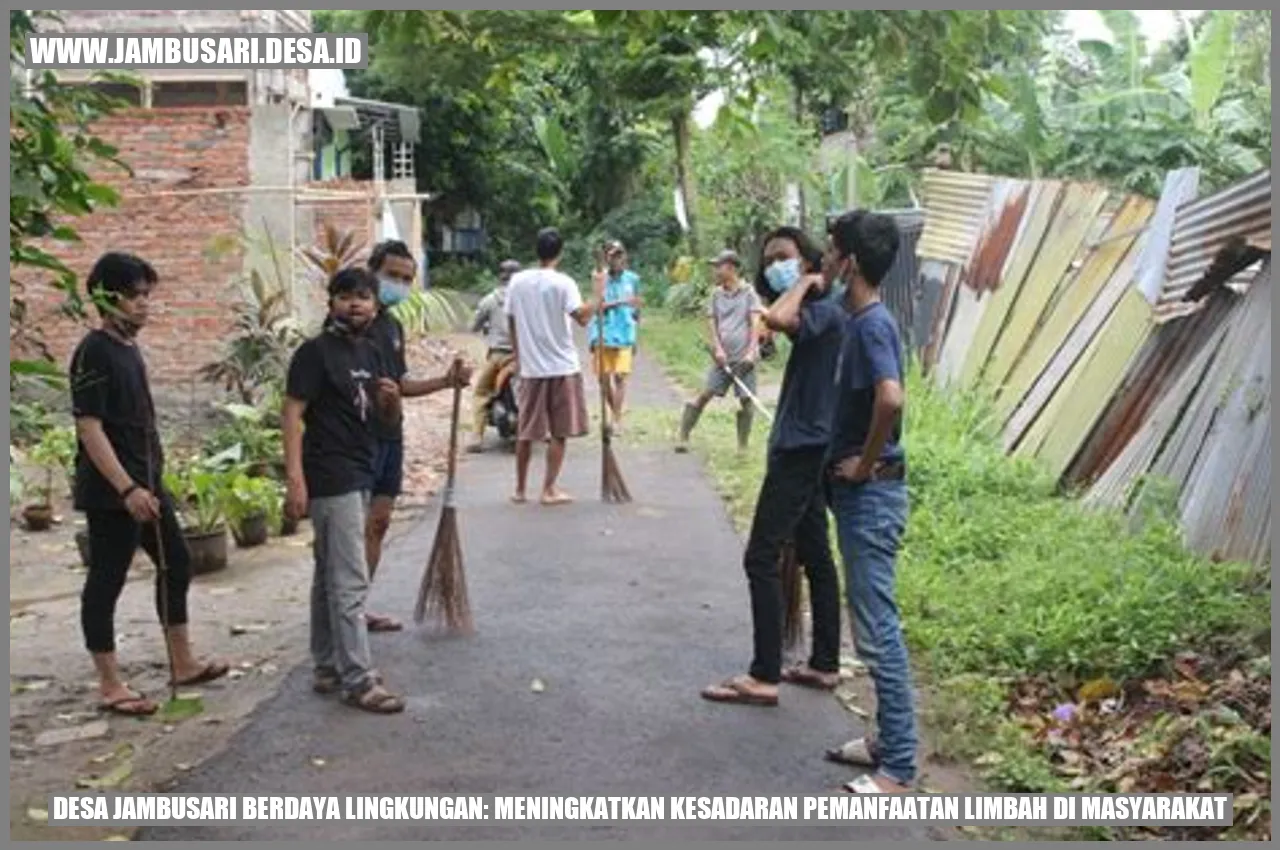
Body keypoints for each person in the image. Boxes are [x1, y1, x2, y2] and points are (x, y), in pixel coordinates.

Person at [70, 252, 229, 716]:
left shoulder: (128, 349)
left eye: (146, 295)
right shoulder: (93, 350)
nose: (144, 304)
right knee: (106, 580)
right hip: (113, 493)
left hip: (148, 483)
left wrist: (154, 480)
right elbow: (90, 428)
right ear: (107, 297)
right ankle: (110, 685)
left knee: (176, 563)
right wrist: (126, 489)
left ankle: (182, 662)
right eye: (134, 295)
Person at [700, 227, 844, 708]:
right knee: (815, 553)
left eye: (784, 257)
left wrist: (805, 281)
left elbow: (777, 318)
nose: (775, 267)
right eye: (769, 261)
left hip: (801, 449)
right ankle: (824, 662)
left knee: (760, 557)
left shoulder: (821, 308)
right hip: (807, 442)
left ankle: (764, 675)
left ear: (809, 260)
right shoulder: (823, 309)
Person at [820, 210, 917, 795]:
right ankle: (884, 741)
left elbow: (891, 398)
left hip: (872, 495)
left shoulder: (872, 325)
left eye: (832, 254)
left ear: (850, 262)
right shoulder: (854, 320)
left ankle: (900, 765)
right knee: (870, 627)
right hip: (861, 497)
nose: (825, 263)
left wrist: (863, 461)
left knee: (879, 631)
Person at [282, 267, 407, 714]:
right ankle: (359, 678)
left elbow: (385, 422)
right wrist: (294, 477)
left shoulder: (374, 352)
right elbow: (293, 414)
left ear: (375, 305)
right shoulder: (314, 354)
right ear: (330, 302)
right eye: (345, 296)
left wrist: (391, 402)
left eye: (363, 296)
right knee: (350, 577)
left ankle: (327, 665)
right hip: (330, 473)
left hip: (363, 468)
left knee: (326, 572)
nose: (355, 304)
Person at [361, 240, 472, 634]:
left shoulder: (392, 326)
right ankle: (339, 615)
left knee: (379, 522)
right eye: (392, 276)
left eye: (407, 279)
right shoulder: (353, 324)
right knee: (350, 530)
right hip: (357, 443)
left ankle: (356, 608)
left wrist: (446, 380)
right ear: (372, 271)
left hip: (390, 436)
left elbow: (401, 382)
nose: (399, 284)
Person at [504, 227, 597, 506]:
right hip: (561, 366)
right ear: (560, 252)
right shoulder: (564, 283)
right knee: (559, 431)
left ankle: (520, 489)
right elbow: (581, 318)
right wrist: (597, 294)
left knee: (526, 430)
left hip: (531, 368)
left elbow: (510, 319)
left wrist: (519, 354)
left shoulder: (517, 281)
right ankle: (549, 489)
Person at [675, 249, 765, 454]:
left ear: (731, 268)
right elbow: (711, 321)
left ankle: (742, 445)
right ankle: (683, 434)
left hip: (744, 358)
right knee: (705, 394)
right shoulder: (716, 294)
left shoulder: (749, 293)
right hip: (722, 358)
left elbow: (755, 324)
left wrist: (751, 353)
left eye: (719, 266)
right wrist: (717, 348)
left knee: (746, 400)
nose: (715, 270)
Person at [466, 258, 520, 453]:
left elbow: (473, 326)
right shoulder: (525, 299)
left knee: (481, 393)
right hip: (522, 357)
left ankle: (476, 437)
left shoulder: (490, 300)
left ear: (500, 277)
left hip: (498, 356)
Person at [587, 241, 641, 431]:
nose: (617, 259)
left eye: (620, 255)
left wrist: (636, 335)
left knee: (620, 377)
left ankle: (616, 419)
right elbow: (597, 307)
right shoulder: (599, 279)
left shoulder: (633, 279)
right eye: (613, 255)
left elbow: (636, 307)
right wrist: (621, 302)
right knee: (603, 378)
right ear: (606, 258)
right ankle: (614, 412)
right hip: (603, 333)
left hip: (625, 332)